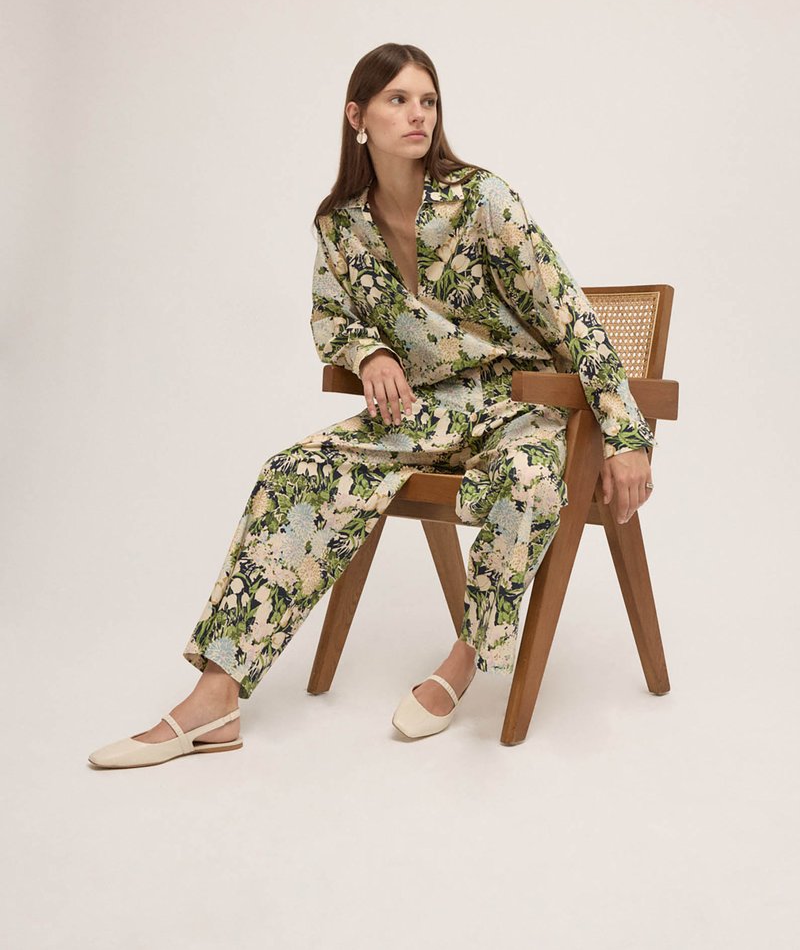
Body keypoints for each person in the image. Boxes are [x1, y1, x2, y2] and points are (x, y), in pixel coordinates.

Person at [88, 42, 656, 768]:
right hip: (430, 411)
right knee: (295, 471)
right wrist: (369, 354)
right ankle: (215, 696)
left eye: (428, 100)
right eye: (398, 100)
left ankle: (465, 659)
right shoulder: (340, 226)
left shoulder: (483, 200)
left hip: (528, 404)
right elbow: (330, 318)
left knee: (530, 479)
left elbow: (575, 319)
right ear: (357, 116)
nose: (418, 114)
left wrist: (626, 435)